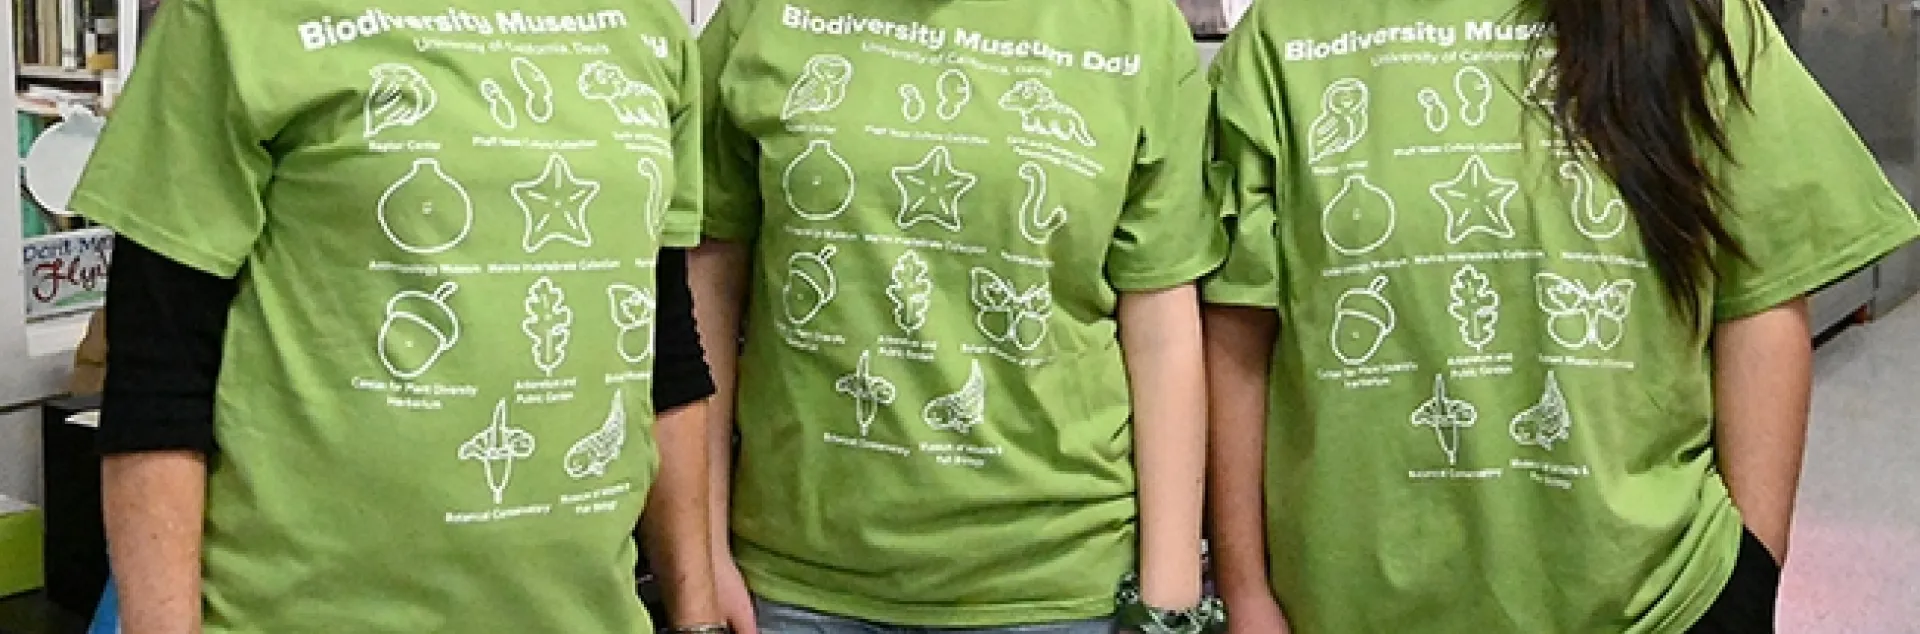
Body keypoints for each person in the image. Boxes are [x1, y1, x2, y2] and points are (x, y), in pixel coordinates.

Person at [1201, 0, 1920, 631]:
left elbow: (1761, 296)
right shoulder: (1285, 37)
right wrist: (1246, 590)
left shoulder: (1693, 19)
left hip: (1652, 603)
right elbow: (1238, 335)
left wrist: (1748, 578)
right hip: (1347, 607)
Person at [77, 0, 724, 631]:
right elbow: (157, 367)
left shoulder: (647, 21)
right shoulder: (233, 16)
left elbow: (662, 346)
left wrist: (698, 617)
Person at [688, 0, 1228, 630]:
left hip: (1059, 586)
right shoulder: (761, 16)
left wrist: (1169, 595)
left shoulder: (1134, 25)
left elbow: (1162, 320)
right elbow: (705, 283)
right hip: (797, 586)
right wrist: (699, 554)